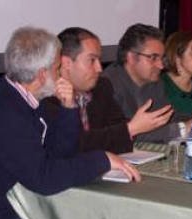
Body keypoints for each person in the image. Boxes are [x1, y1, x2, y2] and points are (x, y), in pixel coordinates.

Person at [0, 26, 140, 219]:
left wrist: (69, 109)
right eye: (58, 68)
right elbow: (43, 179)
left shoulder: (22, 99)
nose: (62, 74)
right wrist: (100, 160)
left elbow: (60, 155)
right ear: (41, 74)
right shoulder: (4, 110)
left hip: (6, 213)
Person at [43, 27, 172, 154]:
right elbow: (74, 144)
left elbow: (118, 135)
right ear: (66, 63)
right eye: (92, 60)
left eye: (99, 60)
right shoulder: (47, 97)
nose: (99, 68)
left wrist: (128, 130)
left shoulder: (101, 87)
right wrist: (130, 129)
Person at [104, 23, 192, 143]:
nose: (161, 66)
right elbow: (130, 134)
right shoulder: (106, 85)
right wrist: (181, 129)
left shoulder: (155, 82)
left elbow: (167, 118)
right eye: (153, 58)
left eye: (161, 58)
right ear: (131, 57)